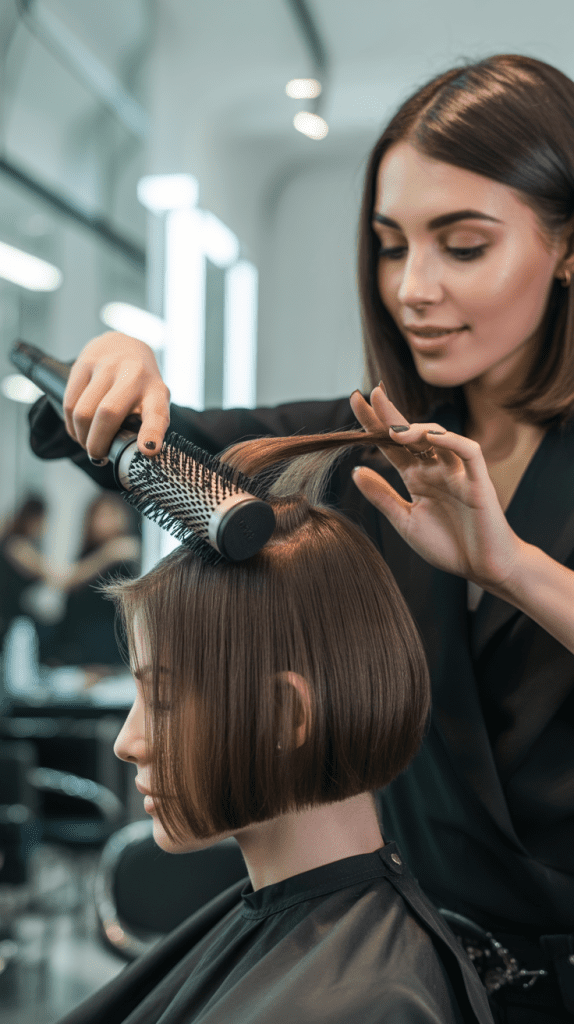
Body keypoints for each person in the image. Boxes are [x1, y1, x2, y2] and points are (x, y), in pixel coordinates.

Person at [28, 53, 574, 1021]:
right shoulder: (358, 456)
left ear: (566, 247)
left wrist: (515, 570)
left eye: (462, 246)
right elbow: (143, 448)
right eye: (390, 246)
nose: (412, 287)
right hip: (400, 968)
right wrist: (116, 366)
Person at [57, 429, 493, 1024]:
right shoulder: (319, 943)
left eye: (161, 698)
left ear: (285, 714)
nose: (126, 743)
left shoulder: (369, 1004)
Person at [44, 493, 140, 672]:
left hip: (112, 647)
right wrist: (108, 554)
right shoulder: (95, 555)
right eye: (102, 515)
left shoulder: (128, 552)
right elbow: (66, 582)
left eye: (112, 514)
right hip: (81, 646)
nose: (108, 521)